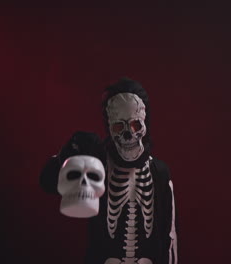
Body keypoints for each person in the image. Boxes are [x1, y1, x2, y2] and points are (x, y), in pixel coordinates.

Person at [40, 78, 178, 264]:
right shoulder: (97, 165)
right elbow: (47, 182)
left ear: (145, 124)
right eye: (119, 127)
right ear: (110, 128)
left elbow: (169, 235)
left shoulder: (159, 172)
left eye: (135, 125)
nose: (128, 135)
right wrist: (67, 153)